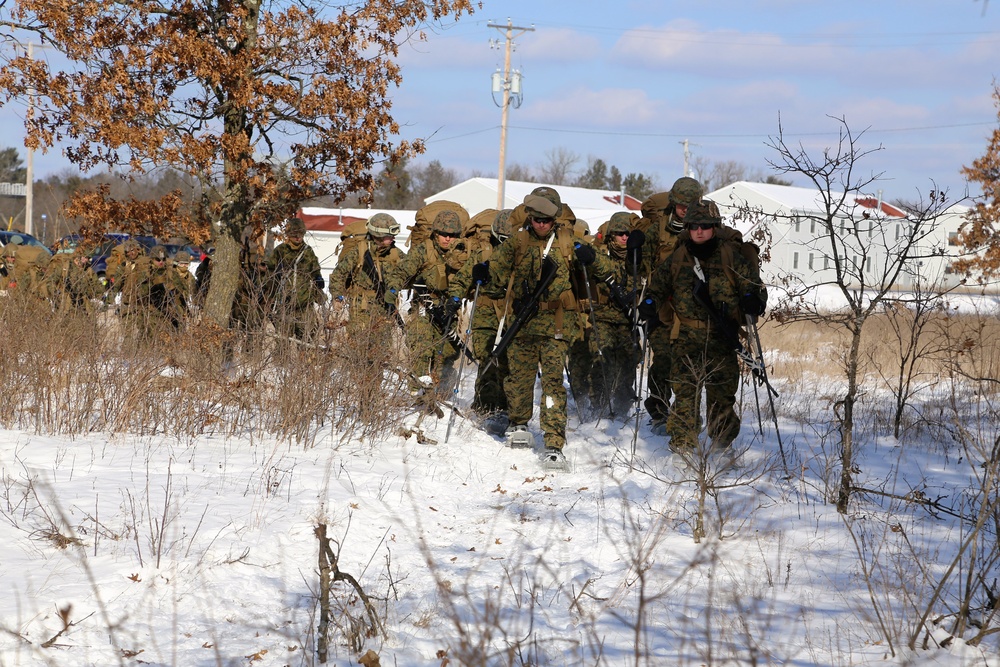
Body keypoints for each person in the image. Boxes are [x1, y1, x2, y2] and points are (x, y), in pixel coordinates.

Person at [474, 187, 612, 465]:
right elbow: (497, 276)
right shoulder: (517, 242)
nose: (541, 225)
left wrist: (592, 258)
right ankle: (519, 422)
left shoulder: (567, 243)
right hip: (522, 323)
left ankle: (553, 441)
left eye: (546, 221)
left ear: (554, 220)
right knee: (519, 379)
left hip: (556, 326)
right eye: (537, 219)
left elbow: (606, 271)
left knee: (552, 384)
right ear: (530, 218)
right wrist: (483, 274)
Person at [644, 201, 767, 455]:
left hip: (722, 337)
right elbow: (658, 286)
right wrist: (648, 302)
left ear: (715, 227)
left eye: (705, 226)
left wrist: (752, 299)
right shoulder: (679, 256)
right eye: (694, 227)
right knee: (685, 394)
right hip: (686, 337)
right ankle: (683, 444)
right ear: (687, 228)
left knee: (721, 397)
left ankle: (721, 446)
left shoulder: (730, 255)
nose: (699, 232)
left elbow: (752, 286)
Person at [641, 176, 705, 434]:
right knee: (664, 360)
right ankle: (658, 411)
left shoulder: (705, 228)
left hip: (694, 308)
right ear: (673, 203)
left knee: (691, 363)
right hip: (661, 307)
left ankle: (686, 415)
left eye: (689, 204)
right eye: (680, 204)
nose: (684, 209)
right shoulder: (656, 229)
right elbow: (642, 267)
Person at [385, 210, 469, 395]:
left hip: (450, 311)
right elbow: (400, 273)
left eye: (452, 235)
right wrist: (392, 291)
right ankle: (418, 392)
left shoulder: (463, 253)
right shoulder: (423, 250)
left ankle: (440, 393)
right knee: (421, 349)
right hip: (424, 307)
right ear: (435, 233)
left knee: (447, 354)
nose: (448, 239)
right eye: (443, 234)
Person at [448, 209, 513, 431]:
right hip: (485, 313)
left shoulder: (522, 252)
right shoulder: (483, 253)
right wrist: (455, 298)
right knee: (486, 360)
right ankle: (484, 407)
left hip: (512, 313)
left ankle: (505, 409)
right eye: (502, 240)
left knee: (507, 362)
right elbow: (463, 277)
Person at [586, 211, 645, 418]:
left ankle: (621, 409)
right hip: (602, 318)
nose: (624, 238)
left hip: (629, 322)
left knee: (628, 364)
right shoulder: (599, 255)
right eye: (620, 233)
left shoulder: (638, 257)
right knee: (603, 361)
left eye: (628, 233)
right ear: (611, 235)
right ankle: (598, 407)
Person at [328, 212, 404, 327]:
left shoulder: (395, 252)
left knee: (383, 343)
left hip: (385, 307)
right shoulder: (360, 250)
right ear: (378, 235)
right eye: (390, 235)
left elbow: (408, 272)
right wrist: (337, 297)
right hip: (361, 308)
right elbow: (338, 274)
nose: (394, 238)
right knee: (358, 342)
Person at [265, 217, 325, 341]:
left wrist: (318, 279)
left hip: (304, 304)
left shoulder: (308, 251)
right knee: (282, 343)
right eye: (294, 235)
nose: (298, 238)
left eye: (301, 235)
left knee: (307, 342)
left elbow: (315, 270)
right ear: (288, 235)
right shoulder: (280, 251)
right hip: (284, 304)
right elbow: (269, 273)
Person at [44, 246, 103, 313]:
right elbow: (51, 281)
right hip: (65, 302)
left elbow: (97, 286)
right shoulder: (66, 266)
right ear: (79, 256)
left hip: (81, 303)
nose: (86, 260)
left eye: (88, 258)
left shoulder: (88, 270)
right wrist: (56, 296)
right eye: (85, 257)